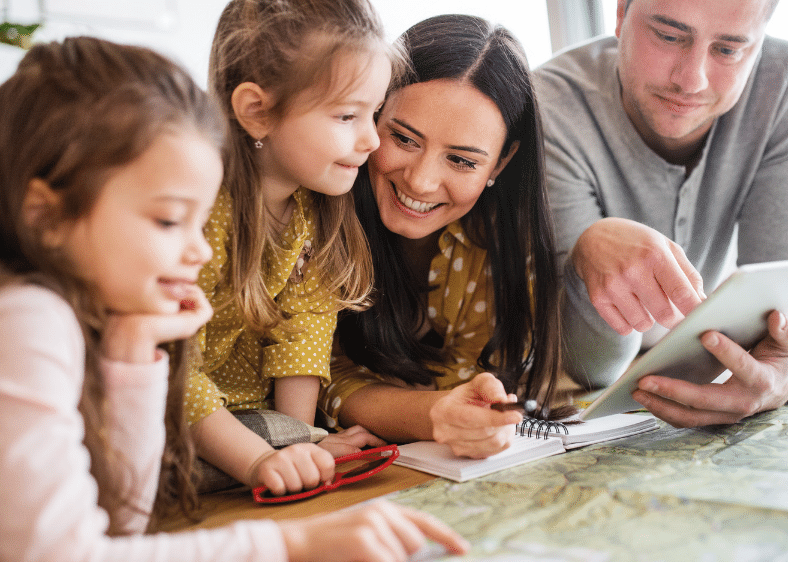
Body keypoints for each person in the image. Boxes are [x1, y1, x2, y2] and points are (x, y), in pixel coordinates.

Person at [0, 36, 468, 562]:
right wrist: (290, 544)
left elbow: (123, 523)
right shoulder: (26, 320)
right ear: (46, 215)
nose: (199, 250)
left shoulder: (90, 323)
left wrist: (136, 353)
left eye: (200, 223)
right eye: (170, 220)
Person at [534, 0, 788, 427]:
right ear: (620, 14)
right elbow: (589, 366)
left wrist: (786, 372)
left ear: (759, 42)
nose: (691, 80)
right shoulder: (547, 107)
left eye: (728, 50)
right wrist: (587, 250)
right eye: (669, 36)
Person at [319, 14, 566, 459]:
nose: (421, 181)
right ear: (372, 111)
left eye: (462, 161)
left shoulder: (505, 241)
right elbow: (322, 380)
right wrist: (436, 413)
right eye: (404, 138)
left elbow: (471, 383)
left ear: (502, 163)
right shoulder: (318, 213)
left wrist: (462, 412)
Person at [185, 0, 401, 495]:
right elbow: (170, 371)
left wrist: (303, 444)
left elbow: (303, 335)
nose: (372, 140)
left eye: (375, 113)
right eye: (348, 115)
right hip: (168, 403)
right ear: (258, 113)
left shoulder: (315, 207)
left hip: (249, 418)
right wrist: (263, 458)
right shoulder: (199, 210)